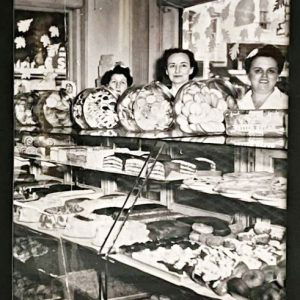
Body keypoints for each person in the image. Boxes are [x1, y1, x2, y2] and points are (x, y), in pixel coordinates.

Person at [238, 45, 288, 110]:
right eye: (258, 71)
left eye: (271, 71)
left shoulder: (288, 104)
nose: (264, 76)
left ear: (278, 75)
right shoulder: (238, 105)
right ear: (248, 74)